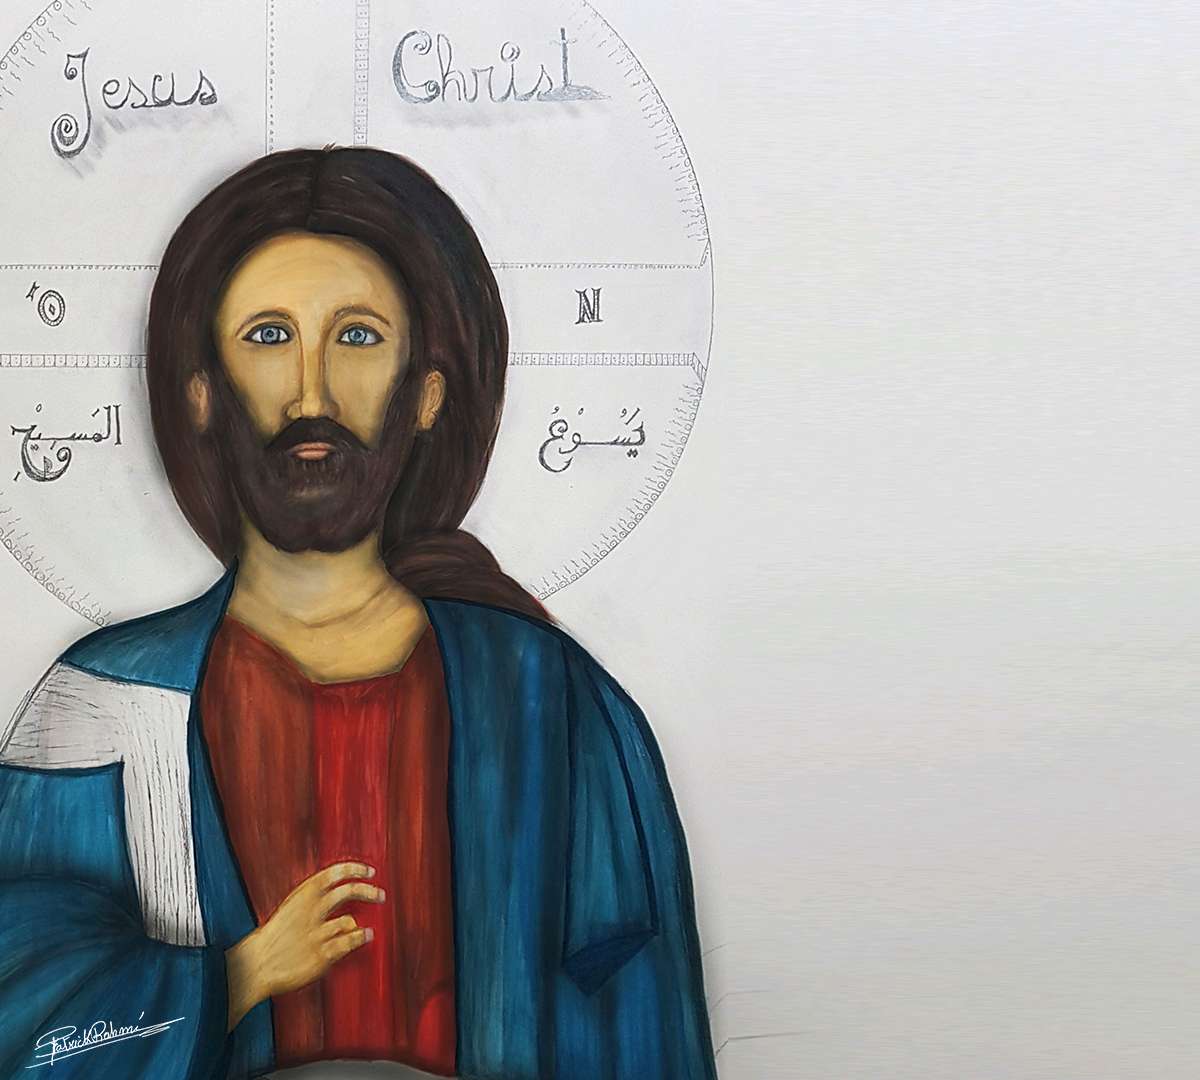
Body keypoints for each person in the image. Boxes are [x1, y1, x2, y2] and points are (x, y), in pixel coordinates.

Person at [0, 147, 716, 1080]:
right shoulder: (98, 704)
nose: (314, 393)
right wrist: (237, 977)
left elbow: (640, 1024)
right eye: (268, 337)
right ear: (202, 393)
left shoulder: (554, 703)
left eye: (359, 337)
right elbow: (25, 1017)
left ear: (427, 395)